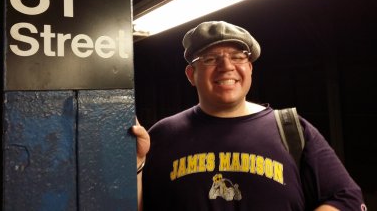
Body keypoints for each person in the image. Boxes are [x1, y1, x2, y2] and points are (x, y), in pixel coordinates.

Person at [132, 21, 367, 211]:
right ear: (191, 74)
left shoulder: (291, 129)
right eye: (211, 58)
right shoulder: (163, 135)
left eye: (237, 56)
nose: (226, 66)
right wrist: (136, 164)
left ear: (250, 69)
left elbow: (347, 199)